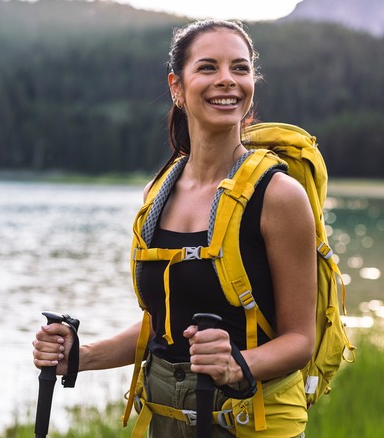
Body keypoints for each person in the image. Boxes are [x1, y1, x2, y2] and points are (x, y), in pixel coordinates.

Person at [33, 19, 316, 437]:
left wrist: (239, 362)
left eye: (240, 68)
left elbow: (300, 339)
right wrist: (81, 356)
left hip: (251, 425)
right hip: (165, 423)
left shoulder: (279, 196)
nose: (227, 80)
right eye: (207, 67)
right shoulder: (158, 193)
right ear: (176, 87)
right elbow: (161, 324)